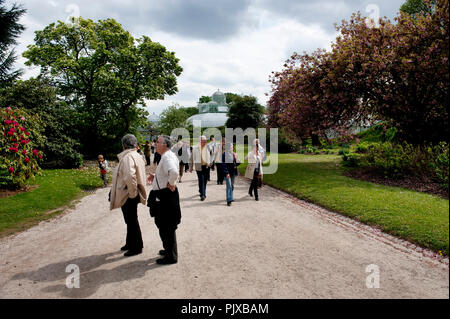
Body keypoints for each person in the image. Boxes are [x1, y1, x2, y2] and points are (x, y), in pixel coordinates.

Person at [110, 134, 147, 257]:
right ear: (135, 144)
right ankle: (130, 243)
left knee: (131, 220)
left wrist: (132, 194)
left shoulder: (127, 157)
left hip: (128, 193)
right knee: (130, 220)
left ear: (123, 145)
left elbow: (130, 177)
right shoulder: (136, 155)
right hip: (131, 192)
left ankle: (137, 246)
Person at [147, 135, 181, 265]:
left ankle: (171, 256)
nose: (155, 143)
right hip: (165, 195)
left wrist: (171, 183)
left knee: (166, 225)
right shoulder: (168, 155)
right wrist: (155, 176)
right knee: (165, 225)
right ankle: (168, 250)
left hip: (165, 195)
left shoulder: (167, 157)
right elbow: (168, 173)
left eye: (158, 142)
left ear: (165, 145)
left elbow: (174, 172)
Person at [189, 135, 211, 201]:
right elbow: (191, 159)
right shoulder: (195, 148)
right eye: (203, 141)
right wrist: (190, 167)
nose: (205, 142)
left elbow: (211, 155)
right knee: (201, 180)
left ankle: (201, 190)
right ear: (200, 141)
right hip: (199, 166)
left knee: (205, 180)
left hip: (206, 166)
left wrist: (210, 162)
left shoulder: (207, 147)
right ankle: (203, 195)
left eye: (205, 141)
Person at [222, 142, 240, 206]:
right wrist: (226, 172)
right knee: (229, 186)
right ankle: (229, 200)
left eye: (232, 146)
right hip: (227, 173)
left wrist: (238, 160)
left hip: (233, 172)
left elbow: (236, 164)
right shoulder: (224, 154)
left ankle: (230, 196)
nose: (232, 147)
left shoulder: (234, 154)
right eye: (231, 146)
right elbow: (223, 164)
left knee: (232, 185)